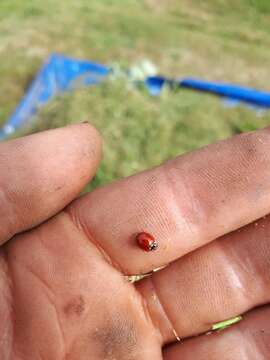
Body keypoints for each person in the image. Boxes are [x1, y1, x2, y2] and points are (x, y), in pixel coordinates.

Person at [0, 122, 269, 360]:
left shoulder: (147, 242)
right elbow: (141, 239)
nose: (151, 246)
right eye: (152, 246)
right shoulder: (144, 242)